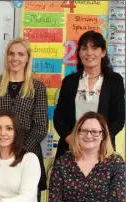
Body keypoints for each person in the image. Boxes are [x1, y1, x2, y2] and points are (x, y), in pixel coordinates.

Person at [47, 111, 125, 202]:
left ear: (103, 135)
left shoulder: (116, 163)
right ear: (77, 133)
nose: (89, 136)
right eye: (84, 131)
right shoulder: (63, 162)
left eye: (95, 131)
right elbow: (55, 199)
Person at [0, 38, 48, 191]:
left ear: (27, 58)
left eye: (20, 54)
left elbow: (40, 126)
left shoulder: (37, 88)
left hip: (27, 155)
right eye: (11, 54)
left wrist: (20, 152)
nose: (15, 58)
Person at [53, 30, 125, 161]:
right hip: (71, 149)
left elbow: (118, 119)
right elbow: (59, 117)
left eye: (94, 48)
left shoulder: (114, 81)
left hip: (102, 150)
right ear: (79, 53)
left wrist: (100, 140)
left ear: (103, 52)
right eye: (84, 48)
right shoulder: (69, 82)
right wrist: (71, 139)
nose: (89, 53)